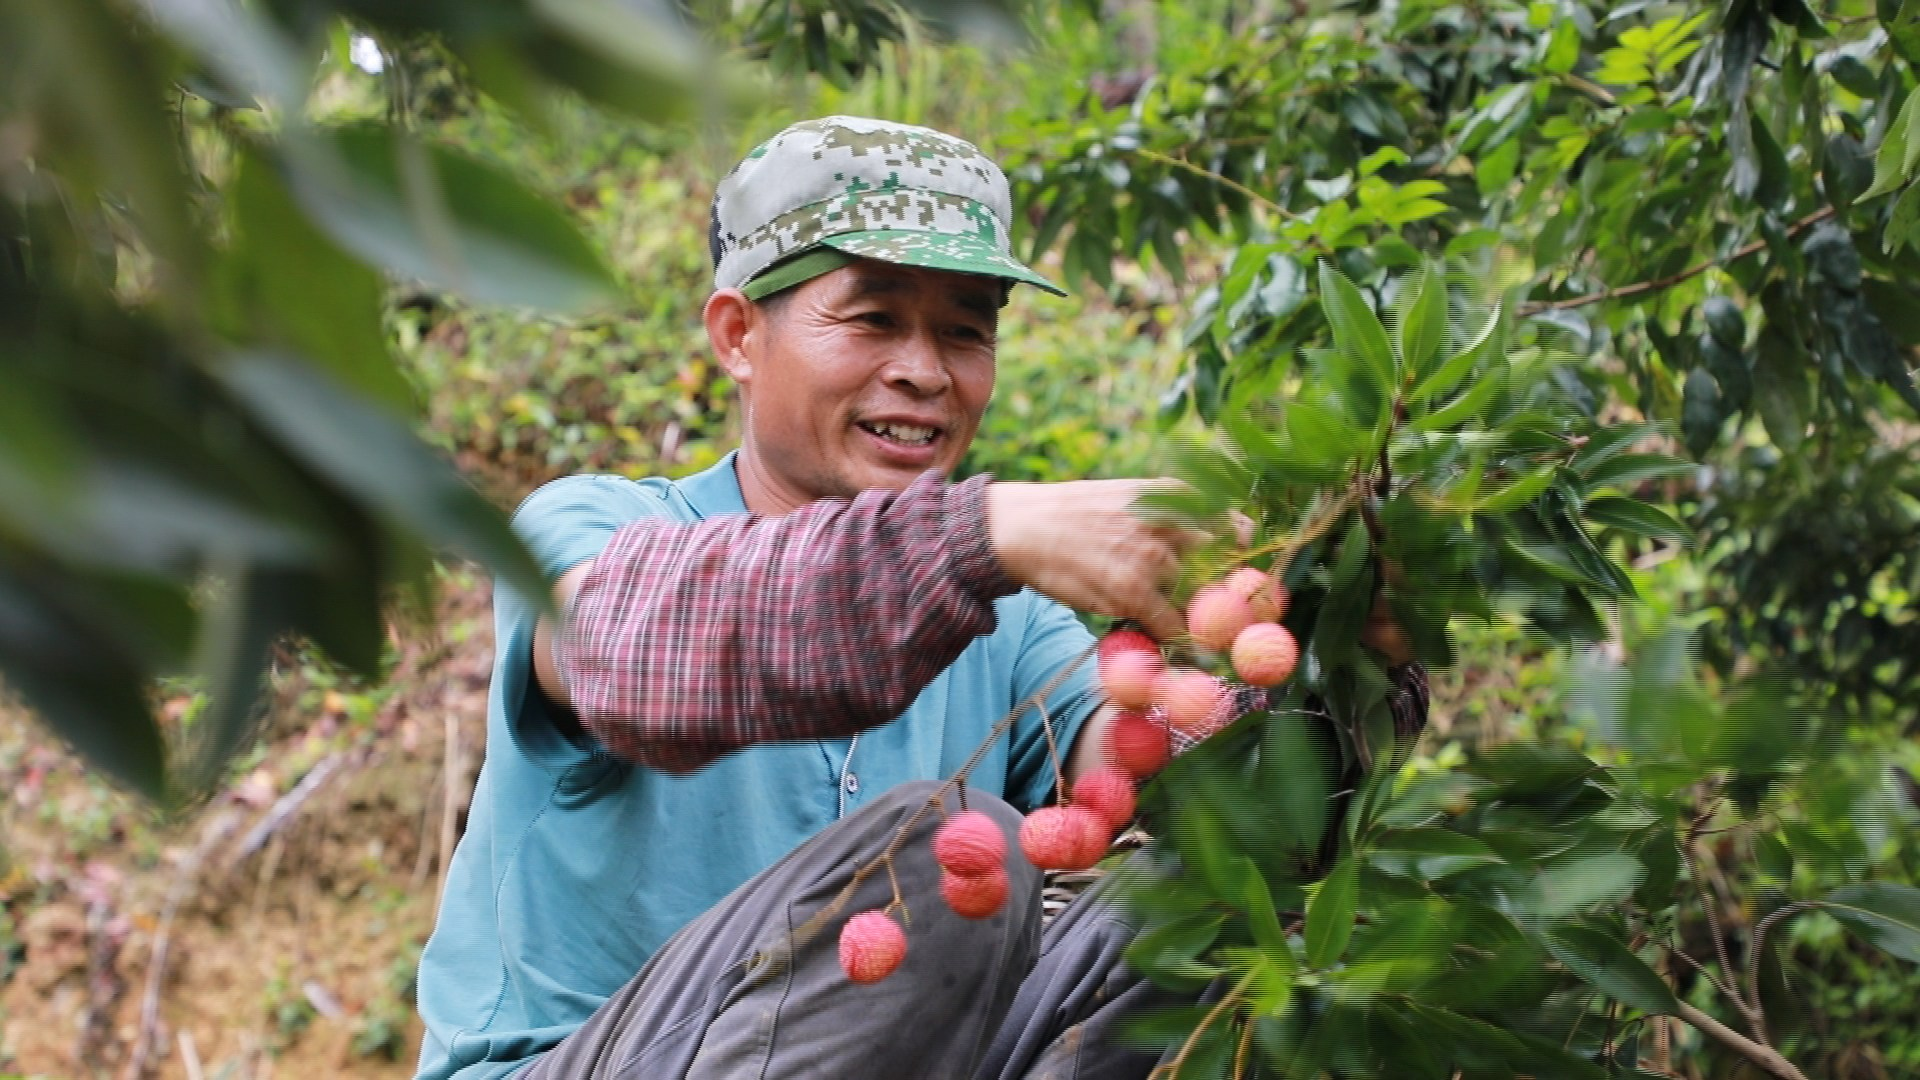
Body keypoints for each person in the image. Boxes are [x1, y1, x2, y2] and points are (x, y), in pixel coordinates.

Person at [412, 115, 1423, 1080]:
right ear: (737, 335)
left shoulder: (1013, 627)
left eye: (965, 332)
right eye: (874, 319)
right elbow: (628, 653)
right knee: (947, 854)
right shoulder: (597, 531)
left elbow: (1184, 788)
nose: (925, 373)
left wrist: (1337, 649)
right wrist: (977, 535)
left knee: (1197, 906)